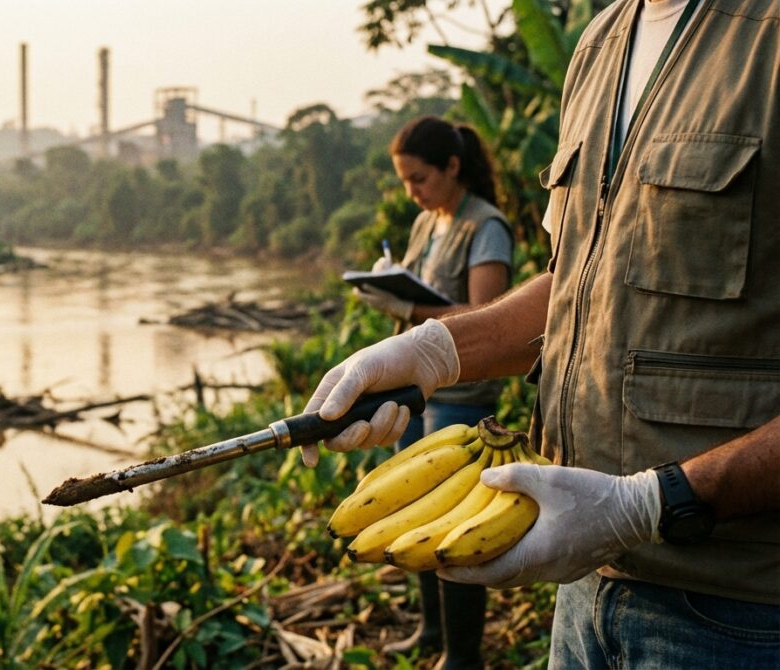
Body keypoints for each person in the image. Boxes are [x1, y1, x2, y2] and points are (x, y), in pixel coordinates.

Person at [300, 1, 780, 667]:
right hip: (584, 594)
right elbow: (582, 287)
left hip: (740, 612)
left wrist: (651, 504)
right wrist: (434, 352)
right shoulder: (598, 47)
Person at [351, 116, 513, 670]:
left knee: (454, 525)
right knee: (414, 513)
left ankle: (462, 654)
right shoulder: (428, 225)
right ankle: (431, 630)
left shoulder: (485, 226)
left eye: (419, 179)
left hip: (463, 395)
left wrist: (410, 309)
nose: (411, 192)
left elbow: (485, 317)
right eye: (403, 181)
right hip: (417, 392)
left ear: (452, 166)